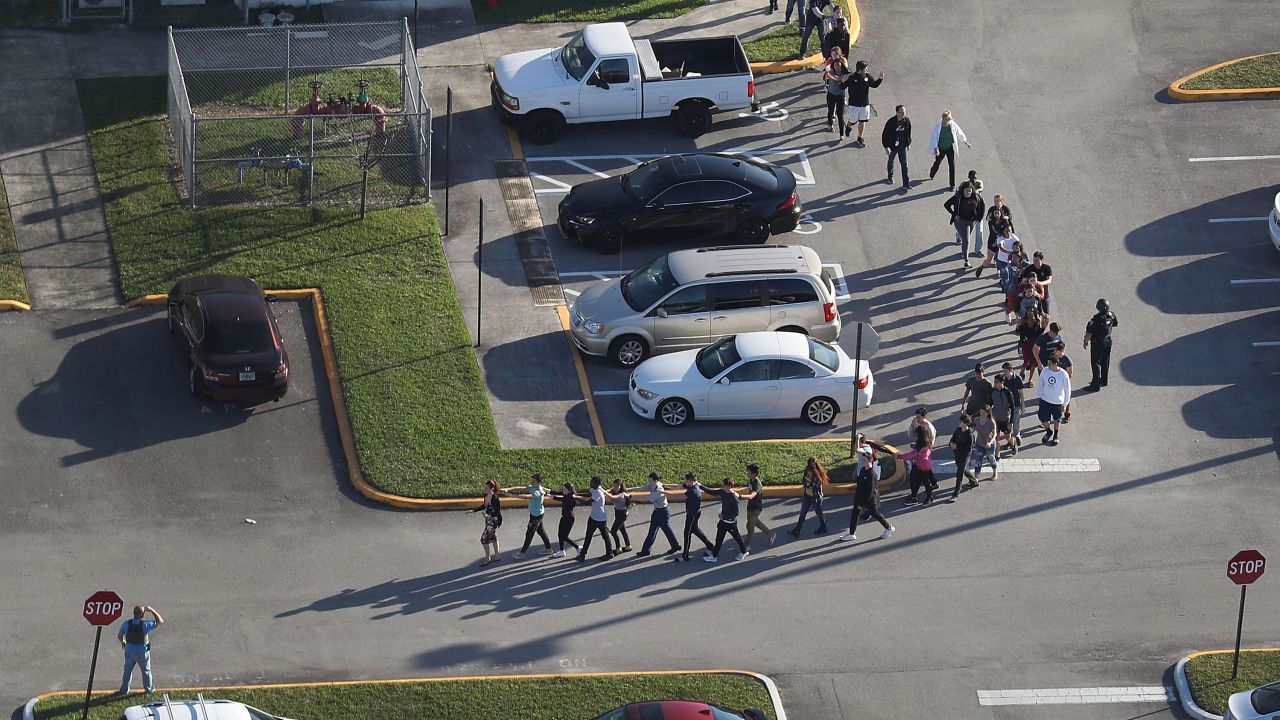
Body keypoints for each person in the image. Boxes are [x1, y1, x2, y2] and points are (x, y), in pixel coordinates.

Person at [840, 447, 894, 540]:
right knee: (855, 513)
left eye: (865, 460)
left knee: (875, 514)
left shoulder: (871, 474)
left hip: (869, 500)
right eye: (863, 460)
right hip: (859, 497)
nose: (863, 462)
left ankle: (889, 528)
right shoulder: (862, 470)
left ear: (870, 461)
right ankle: (852, 534)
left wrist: (863, 503)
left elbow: (870, 490)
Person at [504, 474, 553, 559]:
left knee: (529, 534)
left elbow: (525, 496)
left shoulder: (538, 492)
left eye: (533, 481)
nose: (531, 482)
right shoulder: (532, 487)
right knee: (540, 531)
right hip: (537, 514)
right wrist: (508, 489)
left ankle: (522, 553)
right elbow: (520, 488)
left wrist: (510, 495)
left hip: (536, 516)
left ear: (538, 483)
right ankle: (549, 549)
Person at [632, 472, 681, 557]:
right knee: (652, 531)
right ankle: (646, 550)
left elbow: (648, 499)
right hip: (657, 511)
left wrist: (633, 499)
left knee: (666, 530)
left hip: (663, 512)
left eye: (650, 480)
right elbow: (641, 488)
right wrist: (627, 490)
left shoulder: (658, 489)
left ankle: (675, 546)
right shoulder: (652, 485)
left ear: (655, 481)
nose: (649, 482)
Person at [702, 477, 751, 562]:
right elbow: (711, 491)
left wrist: (723, 517)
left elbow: (735, 513)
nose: (722, 487)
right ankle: (714, 556)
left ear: (729, 486)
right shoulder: (723, 492)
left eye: (723, 485)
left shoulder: (733, 498)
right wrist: (699, 485)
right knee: (719, 539)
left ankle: (743, 551)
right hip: (723, 522)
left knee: (737, 538)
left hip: (730, 523)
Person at [118, 605, 164, 695]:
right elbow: (160, 621)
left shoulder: (127, 623)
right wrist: (151, 610)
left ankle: (124, 690)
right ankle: (149, 690)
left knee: (127, 671)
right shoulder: (145, 625)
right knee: (146, 671)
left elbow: (120, 636)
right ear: (142, 615)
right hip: (142, 653)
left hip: (129, 651)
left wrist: (123, 642)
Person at [674, 472, 715, 562]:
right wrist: (666, 485)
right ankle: (710, 546)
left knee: (687, 534)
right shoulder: (693, 485)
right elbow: (680, 486)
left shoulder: (693, 491)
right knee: (695, 529)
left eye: (687, 480)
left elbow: (678, 497)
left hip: (692, 515)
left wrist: (663, 492)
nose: (686, 482)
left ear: (692, 481)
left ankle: (685, 556)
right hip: (696, 512)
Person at [927, 109, 972, 190]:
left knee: (952, 166)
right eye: (944, 119)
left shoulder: (952, 124)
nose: (946, 121)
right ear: (942, 118)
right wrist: (936, 148)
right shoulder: (938, 127)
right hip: (941, 148)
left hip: (949, 148)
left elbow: (959, 133)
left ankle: (952, 184)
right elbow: (934, 138)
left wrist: (966, 142)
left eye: (948, 119)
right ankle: (932, 173)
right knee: (937, 163)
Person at [943, 184, 986, 266]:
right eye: (966, 190)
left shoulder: (976, 197)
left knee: (966, 238)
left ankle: (960, 240)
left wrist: (979, 218)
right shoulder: (958, 197)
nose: (968, 192)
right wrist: (954, 214)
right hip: (961, 222)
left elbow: (982, 206)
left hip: (972, 222)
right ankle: (966, 261)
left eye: (970, 190)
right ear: (963, 190)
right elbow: (946, 204)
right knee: (966, 240)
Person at [844, 60, 883, 146]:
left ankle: (860, 137)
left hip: (864, 104)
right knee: (853, 121)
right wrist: (841, 80)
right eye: (866, 68)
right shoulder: (852, 77)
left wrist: (880, 79)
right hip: (854, 105)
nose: (867, 70)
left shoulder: (867, 77)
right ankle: (849, 126)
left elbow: (874, 85)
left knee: (862, 121)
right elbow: (843, 86)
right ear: (860, 70)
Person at [577, 476, 616, 561]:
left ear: (597, 484)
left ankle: (609, 553)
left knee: (605, 536)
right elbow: (588, 492)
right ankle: (582, 555)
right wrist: (577, 493)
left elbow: (587, 502)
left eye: (592, 482)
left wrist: (576, 497)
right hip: (593, 517)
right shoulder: (595, 489)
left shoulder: (598, 492)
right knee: (588, 536)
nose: (590, 483)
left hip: (600, 519)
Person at [1083, 298, 1119, 391]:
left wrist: (1085, 342)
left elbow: (1089, 333)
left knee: (1096, 363)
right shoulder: (1111, 315)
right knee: (1105, 360)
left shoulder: (1096, 319)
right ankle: (1104, 380)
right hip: (1108, 340)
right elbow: (1115, 324)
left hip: (1098, 343)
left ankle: (1095, 385)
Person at [788, 456, 829, 535]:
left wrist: (808, 484)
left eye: (811, 467)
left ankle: (823, 527)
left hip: (816, 498)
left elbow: (813, 485)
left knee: (819, 513)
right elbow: (804, 481)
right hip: (807, 495)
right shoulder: (807, 470)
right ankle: (797, 530)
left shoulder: (818, 475)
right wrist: (807, 483)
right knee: (802, 513)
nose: (809, 468)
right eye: (808, 466)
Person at [1036, 354, 1071, 446]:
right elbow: (1040, 384)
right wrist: (1039, 396)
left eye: (1050, 364)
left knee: (1057, 419)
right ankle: (1048, 431)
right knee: (1042, 418)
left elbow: (1067, 390)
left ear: (1055, 364)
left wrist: (1065, 403)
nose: (1048, 366)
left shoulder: (1063, 374)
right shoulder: (1045, 371)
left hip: (1057, 402)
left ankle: (1055, 435)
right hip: (1045, 400)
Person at [546, 482, 583, 558]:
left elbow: (558, 498)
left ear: (569, 490)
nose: (563, 490)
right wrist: (544, 489)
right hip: (564, 517)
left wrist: (547, 495)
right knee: (560, 534)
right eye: (563, 489)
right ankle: (562, 551)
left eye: (565, 489)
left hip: (569, 519)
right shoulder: (566, 494)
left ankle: (578, 547)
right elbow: (555, 493)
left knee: (564, 536)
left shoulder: (570, 497)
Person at [471, 480, 503, 565]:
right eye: (484, 487)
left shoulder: (495, 498)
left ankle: (488, 558)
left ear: (492, 488)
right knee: (493, 537)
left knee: (483, 539)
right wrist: (474, 510)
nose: (484, 489)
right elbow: (484, 506)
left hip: (493, 521)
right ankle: (497, 556)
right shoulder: (486, 495)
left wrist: (487, 516)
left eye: (486, 488)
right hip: (488, 519)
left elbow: (497, 512)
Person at [947, 413, 978, 501]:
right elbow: (953, 439)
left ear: (965, 423)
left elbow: (969, 448)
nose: (959, 423)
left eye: (960, 421)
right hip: (957, 454)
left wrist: (957, 447)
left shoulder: (970, 434)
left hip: (965, 456)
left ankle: (955, 494)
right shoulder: (958, 430)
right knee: (963, 470)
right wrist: (951, 444)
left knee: (959, 474)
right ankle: (974, 482)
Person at [743, 463, 775, 548]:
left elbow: (752, 495)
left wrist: (740, 496)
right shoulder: (751, 480)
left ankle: (747, 545)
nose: (746, 473)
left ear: (753, 474)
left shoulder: (757, 484)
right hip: (750, 507)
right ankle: (769, 534)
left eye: (748, 472)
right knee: (755, 522)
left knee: (750, 526)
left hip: (756, 508)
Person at [881, 104, 911, 190]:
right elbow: (885, 135)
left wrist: (908, 143)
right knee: (891, 160)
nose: (903, 114)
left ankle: (906, 183)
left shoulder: (907, 121)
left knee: (904, 164)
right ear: (897, 112)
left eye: (904, 112)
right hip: (892, 146)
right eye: (901, 112)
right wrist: (886, 147)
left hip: (902, 145)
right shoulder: (891, 122)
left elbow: (908, 133)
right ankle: (890, 175)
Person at [1000, 362, 1027, 448]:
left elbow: (1021, 393)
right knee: (1008, 423)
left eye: (1006, 372)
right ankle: (1010, 440)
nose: (1004, 373)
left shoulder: (1017, 379)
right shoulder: (1003, 380)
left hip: (1016, 404)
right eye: (1003, 371)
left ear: (1011, 370)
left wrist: (1023, 405)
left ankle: (1016, 435)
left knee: (1015, 422)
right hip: (1006, 406)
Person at [990, 374, 1018, 456]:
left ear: (1002, 382)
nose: (995, 383)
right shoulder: (992, 391)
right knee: (996, 438)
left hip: (1005, 419)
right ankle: (997, 455)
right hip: (996, 419)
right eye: (994, 382)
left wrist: (1011, 421)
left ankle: (1013, 444)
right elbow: (990, 403)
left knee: (1008, 437)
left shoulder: (1007, 392)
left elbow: (1012, 407)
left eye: (996, 382)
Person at [822, 54, 850, 138]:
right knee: (831, 111)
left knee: (840, 115)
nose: (837, 67)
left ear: (841, 66)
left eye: (838, 65)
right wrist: (843, 77)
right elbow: (836, 78)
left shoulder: (844, 73)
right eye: (835, 65)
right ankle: (830, 124)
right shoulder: (830, 72)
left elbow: (849, 75)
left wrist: (845, 76)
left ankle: (841, 134)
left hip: (840, 96)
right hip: (831, 95)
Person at [970, 407, 999, 481]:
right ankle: (976, 478)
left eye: (984, 412)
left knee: (991, 458)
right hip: (979, 444)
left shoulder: (991, 421)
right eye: (981, 412)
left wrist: (990, 442)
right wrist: (971, 430)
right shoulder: (977, 420)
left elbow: (995, 433)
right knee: (978, 461)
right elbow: (974, 429)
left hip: (989, 444)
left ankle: (995, 472)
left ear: (988, 413)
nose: (981, 414)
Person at [1018, 308, 1048, 379]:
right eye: (1028, 310)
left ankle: (1030, 379)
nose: (1029, 312)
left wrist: (1044, 327)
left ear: (1034, 312)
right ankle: (1022, 372)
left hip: (1035, 344)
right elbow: (1020, 331)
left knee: (1034, 362)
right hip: (1026, 343)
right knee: (1026, 361)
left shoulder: (1037, 321)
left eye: (1031, 310)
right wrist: (1018, 326)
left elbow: (1039, 333)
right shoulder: (1024, 321)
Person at [608, 479, 632, 554]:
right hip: (617, 513)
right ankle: (628, 546)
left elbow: (613, 498)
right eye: (614, 485)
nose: (615, 487)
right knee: (622, 530)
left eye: (617, 486)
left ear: (621, 486)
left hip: (622, 514)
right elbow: (610, 491)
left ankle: (618, 548)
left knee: (613, 531)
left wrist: (605, 492)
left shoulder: (622, 494)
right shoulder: (614, 490)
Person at [1053, 346, 1075, 424]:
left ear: (1061, 350)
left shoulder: (1067, 360)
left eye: (1056, 350)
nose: (1054, 351)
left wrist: (1062, 381)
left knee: (1066, 398)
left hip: (1064, 383)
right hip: (1054, 382)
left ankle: (1067, 414)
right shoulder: (1053, 357)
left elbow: (1070, 374)